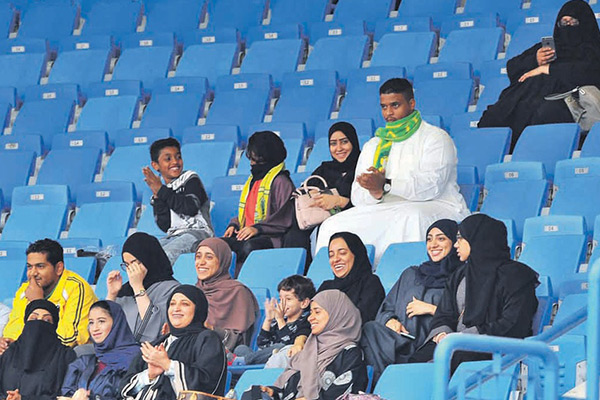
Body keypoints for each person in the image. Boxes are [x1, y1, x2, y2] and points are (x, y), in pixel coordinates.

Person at [316, 78, 469, 262]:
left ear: (411, 103)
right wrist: (375, 192)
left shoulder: (435, 138)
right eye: (384, 107)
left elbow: (431, 188)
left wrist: (386, 185)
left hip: (437, 204)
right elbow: (357, 197)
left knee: (412, 217)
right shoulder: (374, 145)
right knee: (332, 224)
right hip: (386, 208)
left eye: (395, 105)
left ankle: (410, 274)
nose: (388, 113)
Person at [408, 214, 539, 372]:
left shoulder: (516, 276)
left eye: (460, 238)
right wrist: (442, 334)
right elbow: (444, 314)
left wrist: (466, 336)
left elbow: (513, 324)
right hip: (454, 342)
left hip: (494, 345)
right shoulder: (460, 274)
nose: (456, 245)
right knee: (415, 361)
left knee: (453, 360)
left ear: (478, 240)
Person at [478, 0, 600, 145]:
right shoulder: (548, 47)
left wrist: (548, 69)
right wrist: (535, 60)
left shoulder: (594, 49)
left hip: (571, 99)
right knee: (497, 114)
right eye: (564, 22)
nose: (568, 27)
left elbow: (591, 72)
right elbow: (513, 65)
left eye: (573, 22)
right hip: (532, 95)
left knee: (545, 111)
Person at [360, 219, 462, 382]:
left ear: (455, 242)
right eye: (429, 239)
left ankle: (393, 383)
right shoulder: (411, 274)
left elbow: (465, 318)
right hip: (400, 341)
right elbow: (386, 308)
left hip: (432, 342)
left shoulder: (461, 276)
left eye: (441, 238)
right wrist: (390, 320)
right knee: (369, 329)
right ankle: (382, 386)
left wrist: (431, 309)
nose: (433, 244)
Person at [248, 290, 368, 400]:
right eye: (310, 312)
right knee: (251, 394)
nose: (310, 318)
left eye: (317, 312)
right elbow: (288, 390)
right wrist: (273, 392)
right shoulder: (309, 349)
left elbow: (343, 395)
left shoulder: (350, 354)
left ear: (337, 314)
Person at [120, 285, 227, 399]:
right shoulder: (156, 345)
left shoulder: (207, 339)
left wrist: (168, 365)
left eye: (185, 304)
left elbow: (207, 385)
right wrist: (149, 375)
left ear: (198, 309)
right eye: (172, 304)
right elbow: (123, 388)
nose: (176, 309)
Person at [284, 121, 361, 269]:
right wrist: (312, 194)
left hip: (350, 221)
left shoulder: (362, 166)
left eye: (344, 142)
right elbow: (303, 191)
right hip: (317, 219)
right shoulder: (325, 169)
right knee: (294, 235)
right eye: (333, 144)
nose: (339, 148)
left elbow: (368, 201)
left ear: (353, 142)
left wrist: (340, 201)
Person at [1, 239, 97, 352]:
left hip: (68, 355)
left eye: (40, 266)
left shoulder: (76, 288)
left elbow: (69, 339)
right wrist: (7, 343)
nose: (33, 273)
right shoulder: (25, 289)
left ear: (58, 268)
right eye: (29, 267)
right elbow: (13, 329)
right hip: (31, 352)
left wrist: (38, 303)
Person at [223, 131, 295, 275]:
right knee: (215, 246)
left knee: (248, 248)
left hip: (269, 237)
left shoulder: (281, 182)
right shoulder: (252, 181)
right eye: (251, 158)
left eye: (256, 159)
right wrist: (234, 225)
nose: (251, 163)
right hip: (247, 234)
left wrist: (258, 229)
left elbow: (284, 219)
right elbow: (247, 213)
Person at [142, 137, 214, 265]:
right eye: (168, 159)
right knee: (143, 254)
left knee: (167, 254)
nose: (175, 162)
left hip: (198, 233)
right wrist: (158, 197)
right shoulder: (161, 189)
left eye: (178, 157)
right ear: (155, 165)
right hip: (173, 236)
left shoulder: (190, 178)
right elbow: (165, 225)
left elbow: (190, 208)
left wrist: (161, 191)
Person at [106, 232, 180, 343]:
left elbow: (153, 329)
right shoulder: (125, 290)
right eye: (127, 264)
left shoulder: (171, 289)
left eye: (135, 263)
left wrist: (138, 287)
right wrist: (111, 295)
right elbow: (101, 328)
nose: (131, 269)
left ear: (149, 259)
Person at [59, 301, 140, 400]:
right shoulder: (83, 362)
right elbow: (66, 392)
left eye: (101, 321)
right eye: (91, 322)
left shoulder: (135, 359)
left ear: (116, 323)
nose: (94, 328)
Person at [0, 299, 76, 400]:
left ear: (54, 326)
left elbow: (66, 396)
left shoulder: (65, 356)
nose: (39, 323)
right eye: (33, 318)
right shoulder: (9, 352)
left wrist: (23, 398)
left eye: (47, 320)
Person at [235, 274, 315, 367]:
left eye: (288, 299)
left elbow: (289, 346)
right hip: (264, 358)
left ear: (304, 303)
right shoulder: (277, 320)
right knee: (241, 348)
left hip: (281, 360)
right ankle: (244, 361)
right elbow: (262, 344)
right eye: (280, 299)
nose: (282, 303)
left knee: (280, 347)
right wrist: (268, 320)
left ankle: (243, 361)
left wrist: (280, 320)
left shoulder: (306, 321)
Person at [195, 237, 258, 351]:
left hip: (222, 354)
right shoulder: (194, 291)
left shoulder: (237, 291)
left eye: (209, 257)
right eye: (198, 257)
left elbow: (242, 340)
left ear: (222, 261)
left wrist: (212, 329)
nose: (201, 262)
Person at [318, 232, 385, 325]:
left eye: (342, 253)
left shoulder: (370, 283)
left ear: (356, 254)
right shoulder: (326, 287)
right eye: (331, 255)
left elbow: (359, 320)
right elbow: (310, 320)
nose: (335, 259)